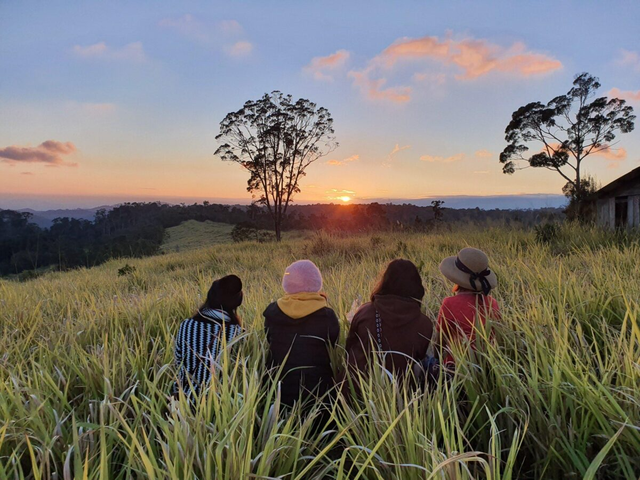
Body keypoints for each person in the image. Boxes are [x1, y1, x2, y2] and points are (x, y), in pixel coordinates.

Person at [263, 260, 340, 408]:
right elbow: (333, 345)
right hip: (319, 394)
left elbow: (269, 339)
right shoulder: (327, 316)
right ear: (317, 282)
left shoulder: (272, 313)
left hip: (277, 393)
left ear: (287, 284)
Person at [345, 259, 433, 378]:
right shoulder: (425, 324)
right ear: (417, 287)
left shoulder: (364, 313)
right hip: (402, 392)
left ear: (384, 283)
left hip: (356, 390)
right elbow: (419, 358)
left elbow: (348, 349)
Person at [173, 275, 244, 399]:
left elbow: (178, 362)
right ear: (236, 303)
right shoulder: (237, 333)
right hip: (221, 404)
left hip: (184, 401)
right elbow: (239, 374)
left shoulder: (186, 325)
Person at [436, 247, 500, 368]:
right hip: (488, 365)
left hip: (457, 367)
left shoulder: (450, 303)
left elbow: (440, 341)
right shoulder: (493, 303)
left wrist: (436, 359)